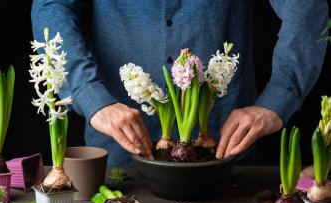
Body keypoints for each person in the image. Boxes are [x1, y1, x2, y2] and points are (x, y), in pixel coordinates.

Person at [31, 0, 328, 166]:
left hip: (224, 152)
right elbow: (51, 6)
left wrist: (278, 98)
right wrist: (89, 94)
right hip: (118, 151)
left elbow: (309, 8)